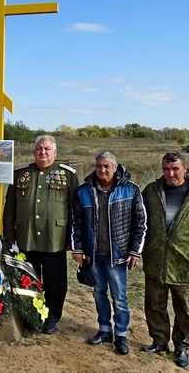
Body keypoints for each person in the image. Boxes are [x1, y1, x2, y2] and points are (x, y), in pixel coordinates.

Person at [141, 151, 189, 368]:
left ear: (185, 169)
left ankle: (181, 347)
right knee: (154, 304)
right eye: (166, 169)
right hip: (155, 258)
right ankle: (160, 342)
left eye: (175, 169)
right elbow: (141, 220)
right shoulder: (152, 191)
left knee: (183, 308)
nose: (170, 173)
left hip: (183, 262)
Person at [70, 151, 147, 355]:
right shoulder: (83, 191)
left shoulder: (130, 190)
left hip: (118, 255)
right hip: (93, 254)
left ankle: (120, 334)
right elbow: (76, 223)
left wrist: (135, 252)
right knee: (98, 293)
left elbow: (140, 224)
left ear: (115, 167)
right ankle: (104, 330)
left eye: (106, 166)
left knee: (119, 297)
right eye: (99, 166)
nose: (102, 170)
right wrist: (77, 248)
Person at [3, 135, 79, 334]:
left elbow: (75, 210)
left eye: (47, 149)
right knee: (28, 278)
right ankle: (31, 314)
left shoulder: (67, 175)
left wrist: (72, 238)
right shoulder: (21, 173)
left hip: (55, 238)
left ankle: (52, 317)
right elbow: (10, 206)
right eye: (39, 149)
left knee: (55, 281)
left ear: (55, 152)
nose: (43, 152)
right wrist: (9, 233)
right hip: (26, 236)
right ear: (33, 152)